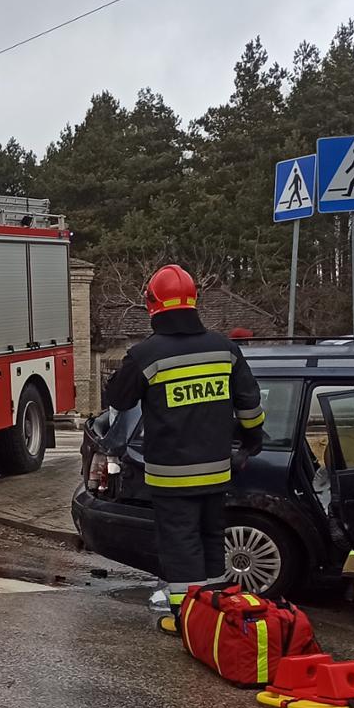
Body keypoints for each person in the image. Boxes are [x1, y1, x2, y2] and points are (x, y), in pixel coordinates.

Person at [104, 265, 265, 634]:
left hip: (171, 476)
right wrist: (252, 442)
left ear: (152, 305)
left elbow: (119, 398)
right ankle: (214, 616)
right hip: (217, 471)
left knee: (181, 547)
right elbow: (250, 405)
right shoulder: (226, 349)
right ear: (195, 301)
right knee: (211, 539)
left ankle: (188, 621)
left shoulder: (147, 355)